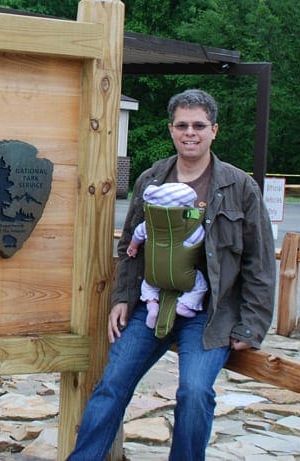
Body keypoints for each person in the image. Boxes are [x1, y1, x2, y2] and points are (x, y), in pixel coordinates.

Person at [68, 88, 275, 461]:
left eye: (199, 125)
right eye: (182, 125)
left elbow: (259, 262)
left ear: (215, 130)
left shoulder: (240, 187)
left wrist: (252, 325)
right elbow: (131, 246)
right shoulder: (151, 180)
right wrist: (122, 299)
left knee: (194, 392)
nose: (190, 132)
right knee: (111, 384)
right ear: (171, 129)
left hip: (210, 315)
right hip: (153, 303)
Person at [126, 182, 209, 332]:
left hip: (154, 275)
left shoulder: (148, 225)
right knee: (200, 284)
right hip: (183, 277)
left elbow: (137, 235)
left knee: (147, 284)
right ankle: (184, 305)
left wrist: (133, 247)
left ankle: (152, 305)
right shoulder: (192, 228)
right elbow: (201, 241)